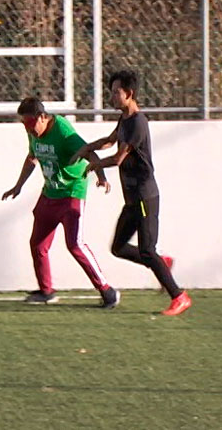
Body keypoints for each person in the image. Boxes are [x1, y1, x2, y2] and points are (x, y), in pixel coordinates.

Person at [72, 70, 191, 316]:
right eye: (111, 92)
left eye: (116, 92)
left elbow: (118, 158)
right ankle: (161, 263)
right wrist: (86, 148)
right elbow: (109, 141)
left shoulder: (138, 122)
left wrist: (94, 165)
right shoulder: (124, 119)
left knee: (147, 250)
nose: (112, 97)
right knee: (118, 247)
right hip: (132, 199)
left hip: (145, 196)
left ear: (129, 93)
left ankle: (179, 297)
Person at [2, 97, 121, 308]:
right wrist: (18, 186)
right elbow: (32, 157)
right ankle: (46, 291)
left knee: (75, 244)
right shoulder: (33, 132)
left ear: (42, 117)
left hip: (71, 192)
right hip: (50, 193)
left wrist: (101, 176)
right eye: (24, 124)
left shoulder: (63, 131)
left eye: (30, 123)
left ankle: (107, 291)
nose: (28, 129)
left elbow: (90, 153)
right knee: (38, 244)